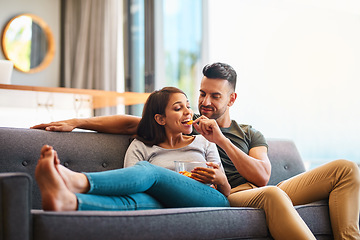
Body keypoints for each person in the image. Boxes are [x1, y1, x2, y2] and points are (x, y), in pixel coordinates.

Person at [32, 63, 360, 240]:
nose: (204, 103)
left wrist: (221, 140)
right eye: (201, 93)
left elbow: (262, 177)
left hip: (250, 189)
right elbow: (133, 122)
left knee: (346, 169)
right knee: (272, 196)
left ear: (231, 99)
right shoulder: (189, 123)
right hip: (229, 195)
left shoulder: (246, 132)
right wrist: (76, 121)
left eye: (214, 97)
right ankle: (73, 191)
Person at [35, 87, 231, 211]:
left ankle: (76, 180)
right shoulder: (140, 146)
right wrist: (76, 122)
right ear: (160, 119)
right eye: (178, 108)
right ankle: (69, 202)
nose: (188, 112)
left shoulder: (204, 142)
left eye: (187, 106)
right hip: (164, 202)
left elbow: (227, 194)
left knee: (150, 171)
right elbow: (131, 187)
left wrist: (220, 179)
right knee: (133, 200)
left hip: (209, 199)